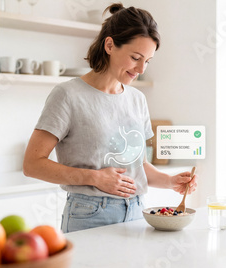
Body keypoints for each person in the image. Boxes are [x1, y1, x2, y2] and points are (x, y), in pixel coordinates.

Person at [23, 3, 197, 233]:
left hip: (137, 212)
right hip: (89, 214)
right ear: (109, 45)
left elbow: (138, 166)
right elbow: (32, 164)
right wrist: (94, 178)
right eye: (136, 57)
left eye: (147, 60)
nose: (141, 69)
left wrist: (169, 181)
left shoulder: (137, 99)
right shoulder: (68, 95)